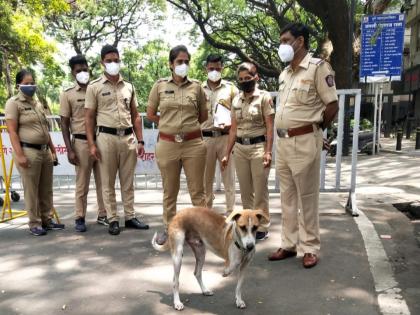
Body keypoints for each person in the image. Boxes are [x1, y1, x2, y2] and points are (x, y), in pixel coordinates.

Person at [268, 23, 338, 268]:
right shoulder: (285, 73)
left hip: (305, 140)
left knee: (307, 197)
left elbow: (332, 105)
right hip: (283, 142)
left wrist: (317, 129)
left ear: (300, 41)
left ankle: (310, 248)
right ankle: (288, 244)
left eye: (286, 40)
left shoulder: (318, 68)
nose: (282, 45)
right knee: (286, 198)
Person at [147, 45, 208, 245]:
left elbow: (203, 115)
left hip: (193, 144)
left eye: (186, 61)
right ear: (171, 64)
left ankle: (203, 230)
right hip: (167, 144)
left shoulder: (197, 87)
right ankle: (169, 228)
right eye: (179, 61)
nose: (183, 65)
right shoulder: (159, 86)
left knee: (197, 191)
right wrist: (168, 125)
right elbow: (150, 114)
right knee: (169, 190)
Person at [85, 44, 149, 235]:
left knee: (128, 181)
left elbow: (136, 115)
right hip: (106, 138)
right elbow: (88, 117)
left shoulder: (129, 86)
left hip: (128, 138)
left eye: (116, 60)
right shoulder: (94, 87)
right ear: (102, 62)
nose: (113, 63)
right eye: (109, 60)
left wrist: (141, 140)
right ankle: (112, 218)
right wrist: (91, 144)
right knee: (108, 181)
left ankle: (130, 216)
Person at [5, 69, 64, 236]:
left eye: (32, 82)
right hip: (28, 151)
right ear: (19, 85)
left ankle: (47, 219)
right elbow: (12, 132)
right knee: (31, 189)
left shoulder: (37, 103)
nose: (30, 86)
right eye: (26, 83)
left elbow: (45, 130)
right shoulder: (13, 103)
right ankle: (34, 223)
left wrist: (53, 150)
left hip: (44, 151)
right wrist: (20, 155)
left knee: (46, 188)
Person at [221, 62, 274, 240]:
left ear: (256, 77)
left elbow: (269, 127)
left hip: (259, 147)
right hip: (240, 149)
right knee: (245, 191)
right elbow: (233, 130)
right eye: (241, 79)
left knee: (260, 191)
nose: (244, 81)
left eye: (248, 78)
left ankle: (262, 227)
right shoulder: (236, 100)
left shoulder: (264, 98)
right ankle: (248, 225)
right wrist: (227, 153)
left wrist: (268, 151)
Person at [60, 55, 107, 232]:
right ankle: (80, 217)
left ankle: (104, 215)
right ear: (72, 72)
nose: (83, 73)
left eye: (85, 70)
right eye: (78, 71)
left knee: (104, 181)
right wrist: (69, 149)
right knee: (82, 183)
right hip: (80, 143)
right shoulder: (68, 94)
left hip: (101, 140)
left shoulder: (97, 89)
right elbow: (64, 123)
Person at [201, 54, 238, 215]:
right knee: (205, 181)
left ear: (222, 68)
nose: (214, 71)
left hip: (225, 138)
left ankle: (231, 213)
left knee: (229, 179)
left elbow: (238, 112)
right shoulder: (197, 89)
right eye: (211, 68)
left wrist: (231, 125)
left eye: (217, 68)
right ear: (205, 69)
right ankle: (206, 214)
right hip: (205, 139)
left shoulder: (231, 88)